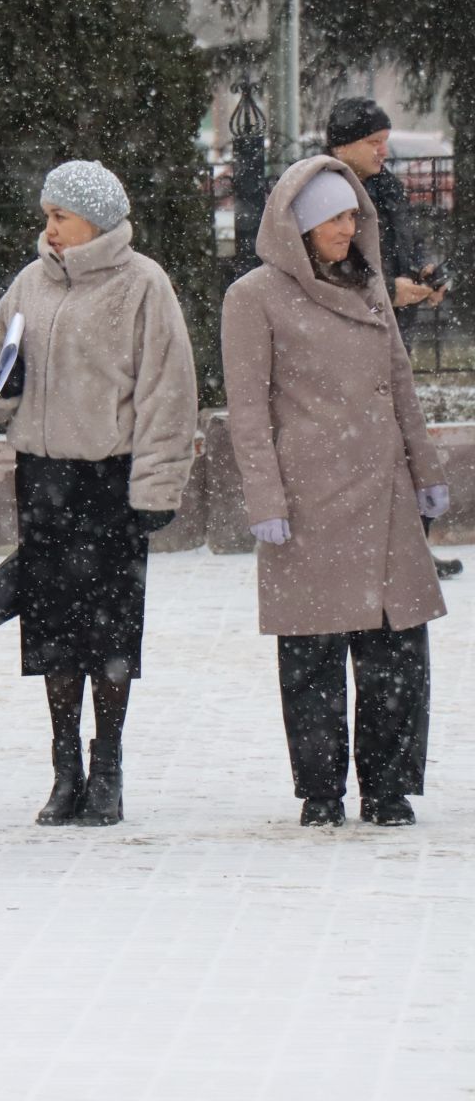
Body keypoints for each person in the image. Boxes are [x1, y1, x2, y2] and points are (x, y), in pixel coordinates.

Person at [222, 156, 445, 828]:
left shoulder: (371, 288)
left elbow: (400, 385)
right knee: (312, 652)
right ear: (301, 224)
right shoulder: (254, 297)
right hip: (307, 500)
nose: (349, 227)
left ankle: (388, 787)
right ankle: (321, 791)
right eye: (336, 217)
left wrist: (427, 470)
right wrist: (264, 499)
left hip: (383, 492)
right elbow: (249, 410)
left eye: (353, 215)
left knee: (395, 651)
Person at [0, 162, 197, 826]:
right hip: (43, 479)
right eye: (47, 215)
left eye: (59, 216)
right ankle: (64, 771)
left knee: (109, 635)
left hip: (109, 482)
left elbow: (168, 391)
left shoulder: (143, 286)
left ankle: (108, 770)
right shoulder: (29, 283)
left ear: (95, 221)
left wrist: (157, 485)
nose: (49, 228)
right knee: (51, 633)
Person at [325, 97, 460, 581]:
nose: (384, 152)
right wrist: (387, 291)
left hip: (391, 338)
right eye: (374, 143)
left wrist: (425, 271)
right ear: (343, 145)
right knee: (362, 453)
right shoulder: (324, 191)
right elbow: (326, 274)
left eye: (385, 141)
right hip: (345, 347)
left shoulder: (384, 185)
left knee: (405, 446)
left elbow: (405, 242)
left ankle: (410, 548)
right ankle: (363, 554)